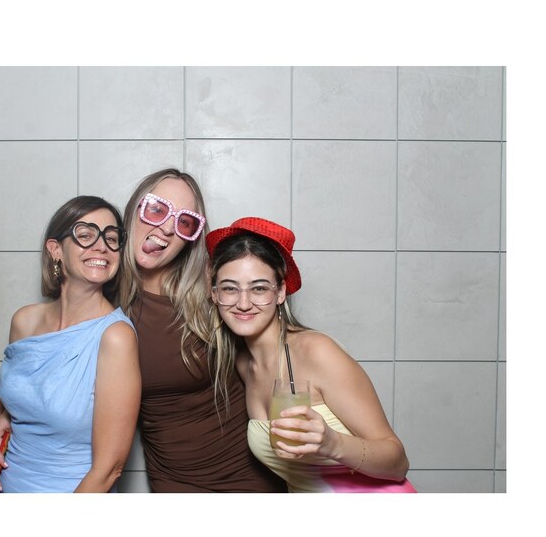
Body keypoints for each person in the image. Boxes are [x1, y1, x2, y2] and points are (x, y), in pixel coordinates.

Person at [207, 219, 413, 492]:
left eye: (259, 288)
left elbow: (398, 463)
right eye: (230, 288)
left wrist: (332, 444)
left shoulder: (317, 351)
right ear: (214, 294)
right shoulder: (243, 363)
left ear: (281, 292)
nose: (243, 303)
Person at [0, 196, 140, 493]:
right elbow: (17, 401)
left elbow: (109, 470)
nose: (101, 246)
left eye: (111, 238)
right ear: (56, 250)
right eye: (85, 235)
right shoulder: (24, 321)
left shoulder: (115, 337)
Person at [119, 167, 286, 492]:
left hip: (247, 478)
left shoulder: (212, 293)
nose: (167, 228)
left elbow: (278, 350)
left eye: (184, 222)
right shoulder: (104, 300)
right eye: (157, 209)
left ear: (191, 239)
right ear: (133, 210)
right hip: (172, 482)